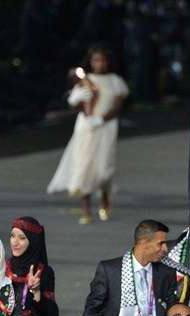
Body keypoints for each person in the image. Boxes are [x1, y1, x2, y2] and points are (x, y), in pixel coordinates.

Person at [47, 45, 130, 224]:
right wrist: (78, 100)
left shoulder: (115, 81)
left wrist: (101, 119)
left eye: (103, 60)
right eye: (96, 60)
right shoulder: (85, 81)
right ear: (91, 62)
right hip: (86, 129)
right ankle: (86, 211)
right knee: (84, 165)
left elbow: (117, 106)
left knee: (104, 167)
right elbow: (76, 106)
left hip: (106, 128)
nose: (99, 64)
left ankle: (105, 200)